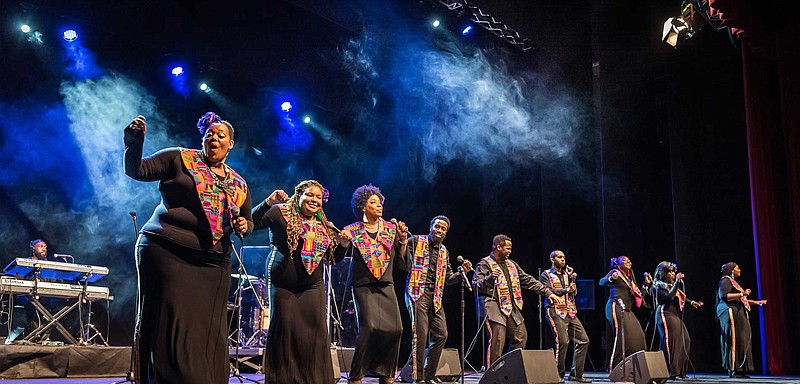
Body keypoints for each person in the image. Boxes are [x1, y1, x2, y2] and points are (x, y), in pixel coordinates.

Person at [124, 112, 253, 383]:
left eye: (221, 135)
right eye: (210, 134)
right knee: (170, 323)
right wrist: (134, 143)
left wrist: (244, 225)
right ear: (203, 138)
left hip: (211, 263)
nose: (214, 138)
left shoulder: (239, 183)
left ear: (231, 144)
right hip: (166, 250)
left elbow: (248, 219)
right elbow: (137, 170)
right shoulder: (179, 158)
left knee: (204, 329)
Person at [252, 180, 346, 384]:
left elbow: (333, 258)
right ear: (299, 196)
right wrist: (268, 202)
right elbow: (251, 223)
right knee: (284, 330)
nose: (314, 200)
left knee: (315, 332)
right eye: (309, 195)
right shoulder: (280, 212)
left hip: (312, 285)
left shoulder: (324, 224)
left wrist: (344, 245)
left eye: (318, 197)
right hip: (283, 284)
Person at [339, 184, 408, 384]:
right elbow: (337, 256)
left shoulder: (390, 229)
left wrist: (403, 241)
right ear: (362, 206)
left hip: (386, 284)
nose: (379, 206)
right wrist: (343, 243)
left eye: (380, 203)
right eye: (373, 202)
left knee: (396, 329)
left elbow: (402, 262)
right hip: (364, 285)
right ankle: (356, 375)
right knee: (369, 328)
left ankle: (386, 373)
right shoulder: (352, 231)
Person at [473, 234, 561, 368]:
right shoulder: (484, 264)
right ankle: (492, 375)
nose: (510, 251)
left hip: (510, 306)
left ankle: (507, 368)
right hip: (493, 306)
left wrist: (548, 293)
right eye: (507, 249)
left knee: (520, 336)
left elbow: (528, 280)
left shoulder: (512, 265)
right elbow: (476, 286)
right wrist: (490, 278)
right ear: (498, 247)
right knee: (498, 339)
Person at [403, 215, 472, 384]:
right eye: (437, 227)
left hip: (435, 297)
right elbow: (402, 260)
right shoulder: (416, 241)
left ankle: (429, 374)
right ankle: (418, 377)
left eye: (443, 229)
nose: (439, 231)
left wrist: (461, 272)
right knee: (420, 335)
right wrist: (402, 241)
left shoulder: (444, 251)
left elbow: (448, 278)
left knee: (442, 334)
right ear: (431, 226)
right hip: (416, 292)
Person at [540, 250, 591, 383]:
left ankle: (576, 374)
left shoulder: (567, 275)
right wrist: (566, 290)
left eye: (564, 257)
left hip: (570, 311)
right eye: (560, 257)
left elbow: (572, 294)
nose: (563, 259)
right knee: (563, 341)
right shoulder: (546, 274)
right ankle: (557, 374)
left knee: (584, 340)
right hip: (554, 310)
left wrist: (571, 284)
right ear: (552, 259)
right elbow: (548, 291)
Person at [599, 255, 652, 373]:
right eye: (624, 260)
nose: (628, 261)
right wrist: (611, 278)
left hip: (626, 310)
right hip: (615, 306)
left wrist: (646, 284)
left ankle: (634, 368)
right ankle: (615, 368)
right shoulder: (615, 272)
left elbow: (639, 296)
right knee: (622, 337)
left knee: (639, 337)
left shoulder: (629, 280)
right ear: (617, 263)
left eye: (629, 259)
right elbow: (601, 282)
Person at [651, 261, 703, 379]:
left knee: (685, 340)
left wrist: (692, 302)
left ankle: (680, 371)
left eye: (673, 272)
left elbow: (681, 296)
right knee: (671, 342)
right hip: (665, 313)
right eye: (669, 272)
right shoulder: (657, 285)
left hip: (674, 315)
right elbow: (670, 296)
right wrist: (677, 283)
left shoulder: (672, 286)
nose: (672, 274)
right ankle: (671, 371)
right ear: (662, 273)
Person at [716, 262, 766, 378]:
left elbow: (741, 300)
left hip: (737, 311)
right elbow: (724, 296)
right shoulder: (725, 280)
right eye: (737, 268)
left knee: (741, 339)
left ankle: (740, 369)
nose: (740, 270)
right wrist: (742, 293)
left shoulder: (733, 283)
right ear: (732, 270)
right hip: (729, 311)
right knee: (734, 339)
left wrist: (756, 302)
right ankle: (734, 369)